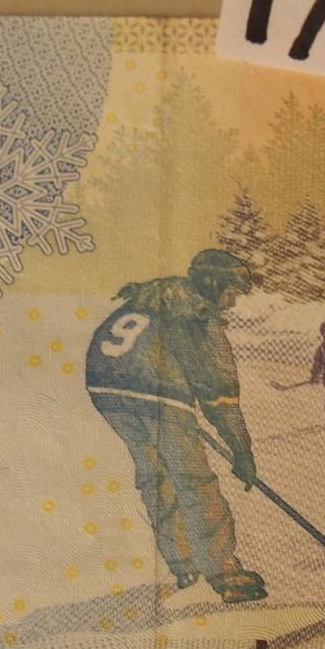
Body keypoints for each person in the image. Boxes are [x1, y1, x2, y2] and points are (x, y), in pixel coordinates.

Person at [84, 249, 267, 604]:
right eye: (230, 292)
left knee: (157, 475)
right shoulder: (195, 314)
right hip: (155, 393)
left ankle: (183, 562)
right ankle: (224, 572)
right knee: (193, 480)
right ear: (211, 283)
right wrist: (241, 449)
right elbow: (219, 393)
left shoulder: (156, 297)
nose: (231, 303)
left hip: (106, 390)